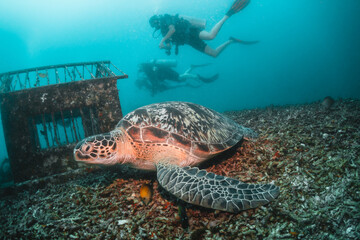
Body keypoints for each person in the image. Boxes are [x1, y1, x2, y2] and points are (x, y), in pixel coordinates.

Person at [149, 0, 257, 57]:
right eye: (154, 26)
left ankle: (228, 14)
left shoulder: (165, 19)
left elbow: (172, 30)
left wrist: (162, 40)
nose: (156, 26)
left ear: (156, 20)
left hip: (190, 31)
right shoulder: (163, 32)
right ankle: (230, 40)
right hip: (189, 41)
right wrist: (164, 47)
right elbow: (169, 46)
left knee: (211, 36)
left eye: (154, 24)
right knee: (214, 54)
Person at [136, 59, 219, 96]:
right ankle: (192, 67)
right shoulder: (147, 69)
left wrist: (154, 90)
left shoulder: (147, 69)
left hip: (165, 72)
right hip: (165, 72)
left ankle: (195, 76)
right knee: (181, 78)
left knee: (180, 78)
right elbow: (153, 79)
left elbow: (153, 79)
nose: (140, 70)